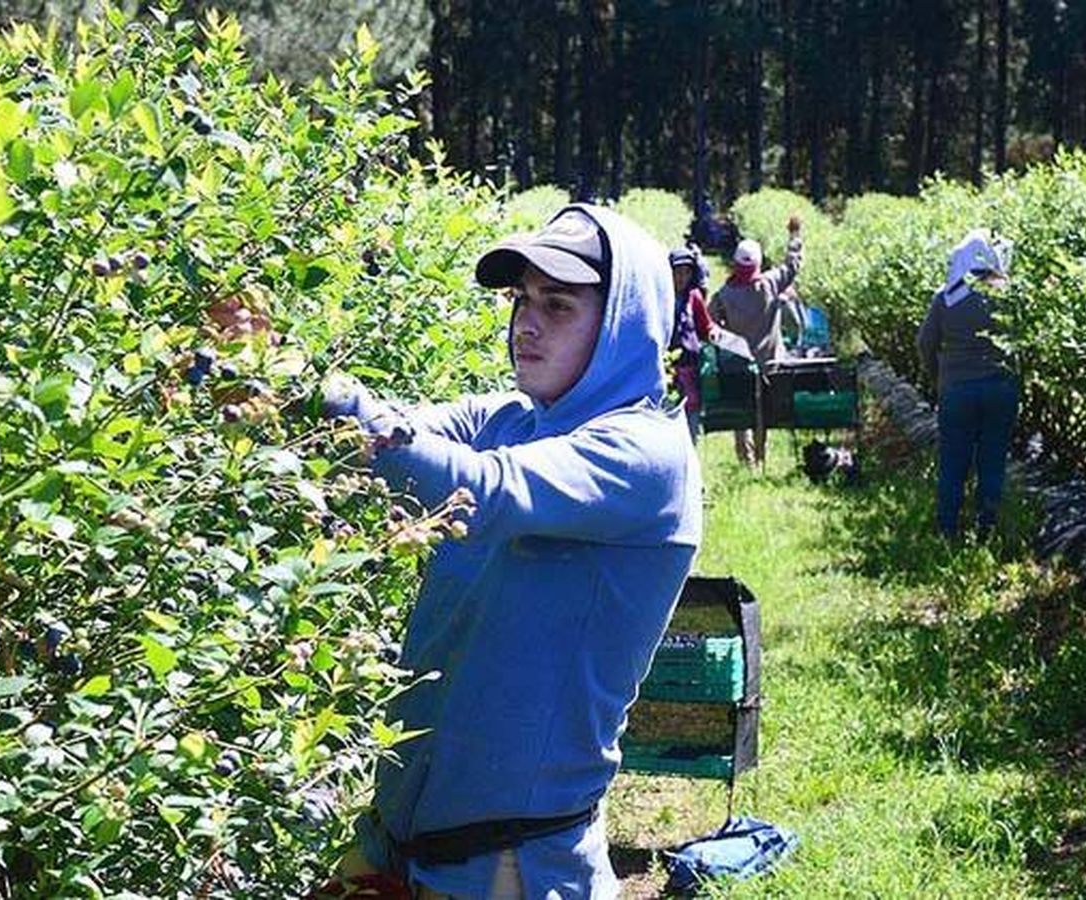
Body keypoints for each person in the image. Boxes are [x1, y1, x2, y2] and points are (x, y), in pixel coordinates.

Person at [322, 205, 703, 898]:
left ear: (622, 321)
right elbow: (402, 430)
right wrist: (271, 382)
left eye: (558, 306)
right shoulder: (509, 418)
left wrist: (340, 406)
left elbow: (481, 488)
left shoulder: (645, 455)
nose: (525, 324)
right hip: (395, 847)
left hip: (506, 872)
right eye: (522, 301)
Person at [916, 228, 1019, 539]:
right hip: (1000, 390)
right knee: (992, 461)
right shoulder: (1007, 296)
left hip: (957, 391)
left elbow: (924, 342)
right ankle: (986, 529)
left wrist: (938, 378)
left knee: (953, 463)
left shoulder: (946, 297)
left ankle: (948, 530)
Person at [707, 219, 804, 467]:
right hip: (772, 361)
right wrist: (794, 235)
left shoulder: (724, 295)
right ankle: (761, 457)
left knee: (742, 413)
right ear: (759, 264)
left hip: (739, 364)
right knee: (766, 411)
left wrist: (729, 341)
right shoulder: (770, 283)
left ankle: (747, 461)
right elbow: (793, 266)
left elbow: (710, 324)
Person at [668, 244, 716, 443]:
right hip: (667, 368)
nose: (681, 278)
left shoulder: (694, 298)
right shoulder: (661, 297)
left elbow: (705, 326)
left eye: (685, 273)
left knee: (691, 414)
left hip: (690, 365)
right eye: (677, 272)